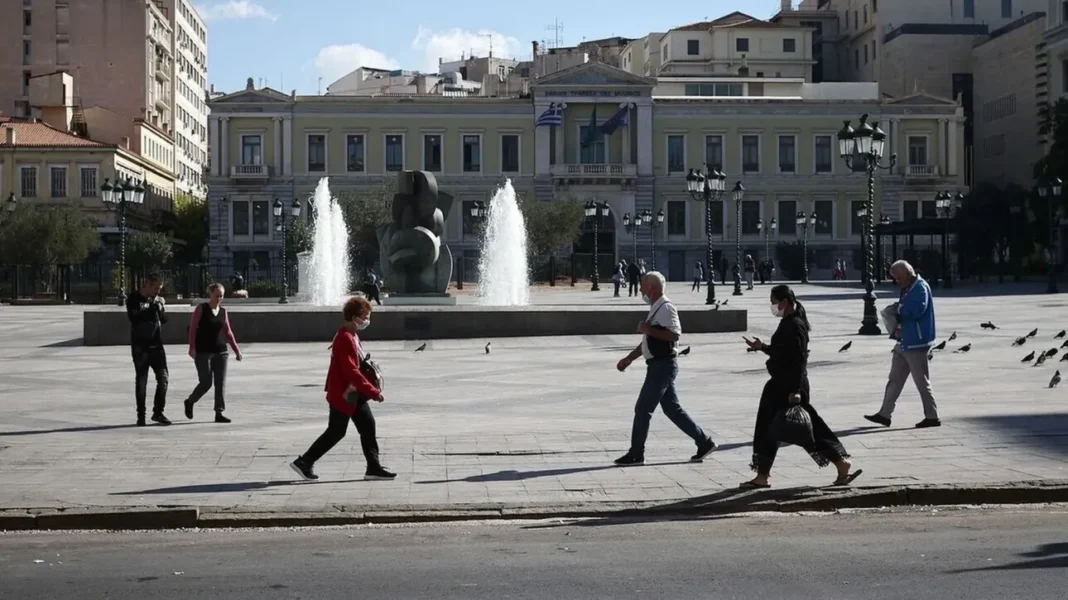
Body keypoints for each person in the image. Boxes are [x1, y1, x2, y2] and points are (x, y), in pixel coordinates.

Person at [743, 285, 862, 488]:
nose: (772, 306)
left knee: (803, 429)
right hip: (780, 385)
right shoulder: (787, 322)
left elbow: (799, 360)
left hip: (789, 387)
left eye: (774, 302)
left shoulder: (795, 325)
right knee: (799, 428)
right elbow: (783, 352)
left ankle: (840, 462)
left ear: (784, 302)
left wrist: (796, 391)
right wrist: (762, 347)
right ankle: (840, 463)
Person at [614, 271, 716, 466]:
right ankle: (704, 442)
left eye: (643, 285)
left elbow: (675, 335)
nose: (640, 289)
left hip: (663, 366)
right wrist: (629, 359)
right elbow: (649, 340)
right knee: (672, 410)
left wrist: (647, 329)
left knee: (643, 408)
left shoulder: (666, 307)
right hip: (658, 365)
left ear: (651, 288)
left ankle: (636, 454)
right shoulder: (656, 307)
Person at [291, 295, 396, 481]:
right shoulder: (344, 338)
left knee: (367, 426)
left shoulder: (352, 336)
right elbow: (352, 371)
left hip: (354, 393)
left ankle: (373, 467)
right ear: (354, 316)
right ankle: (304, 462)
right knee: (336, 432)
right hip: (345, 394)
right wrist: (373, 392)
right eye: (365, 316)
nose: (367, 320)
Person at [865, 260, 941, 428]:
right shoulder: (908, 287)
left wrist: (898, 310)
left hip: (916, 342)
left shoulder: (920, 287)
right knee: (894, 379)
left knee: (921, 381)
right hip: (904, 340)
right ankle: (884, 414)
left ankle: (932, 416)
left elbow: (916, 311)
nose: (897, 282)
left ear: (908, 273)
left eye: (899, 278)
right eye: (895, 279)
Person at [183, 283, 243, 423]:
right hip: (203, 352)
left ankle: (219, 412)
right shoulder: (201, 309)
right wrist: (192, 347)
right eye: (217, 295)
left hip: (221, 351)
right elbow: (192, 329)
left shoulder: (223, 312)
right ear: (210, 294)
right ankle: (190, 401)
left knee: (220, 383)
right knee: (206, 383)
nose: (219, 298)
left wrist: (236, 350)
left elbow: (228, 332)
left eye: (221, 296)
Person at [126, 273, 170, 426]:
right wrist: (151, 307)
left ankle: (158, 412)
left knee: (163, 378)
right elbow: (134, 318)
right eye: (156, 288)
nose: (158, 291)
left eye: (160, 289)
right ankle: (141, 415)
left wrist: (161, 307)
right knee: (142, 381)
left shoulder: (156, 300)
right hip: (140, 346)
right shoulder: (134, 298)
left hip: (156, 345)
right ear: (148, 285)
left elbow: (163, 320)